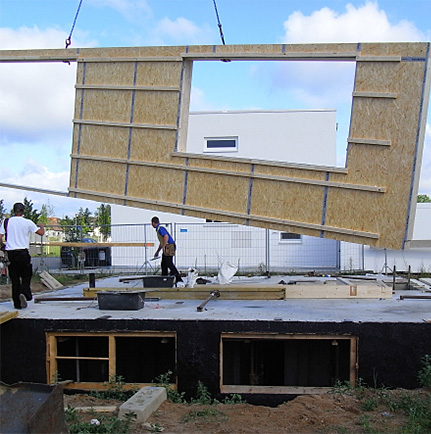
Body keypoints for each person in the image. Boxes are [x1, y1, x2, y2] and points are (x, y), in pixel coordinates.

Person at [0, 202, 45, 309]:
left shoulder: (6, 221)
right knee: (26, 275)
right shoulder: (27, 222)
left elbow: (0, 236)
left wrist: (3, 247)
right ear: (23, 211)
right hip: (23, 252)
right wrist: (42, 227)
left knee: (15, 279)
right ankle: (25, 293)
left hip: (11, 253)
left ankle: (17, 304)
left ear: (14, 210)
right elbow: (40, 233)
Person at [151, 216, 183, 283]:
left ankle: (178, 279)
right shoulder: (159, 229)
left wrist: (164, 246)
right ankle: (164, 278)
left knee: (169, 263)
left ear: (153, 223)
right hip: (168, 246)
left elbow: (166, 236)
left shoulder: (160, 228)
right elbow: (162, 242)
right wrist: (157, 252)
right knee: (164, 263)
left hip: (169, 246)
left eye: (152, 223)